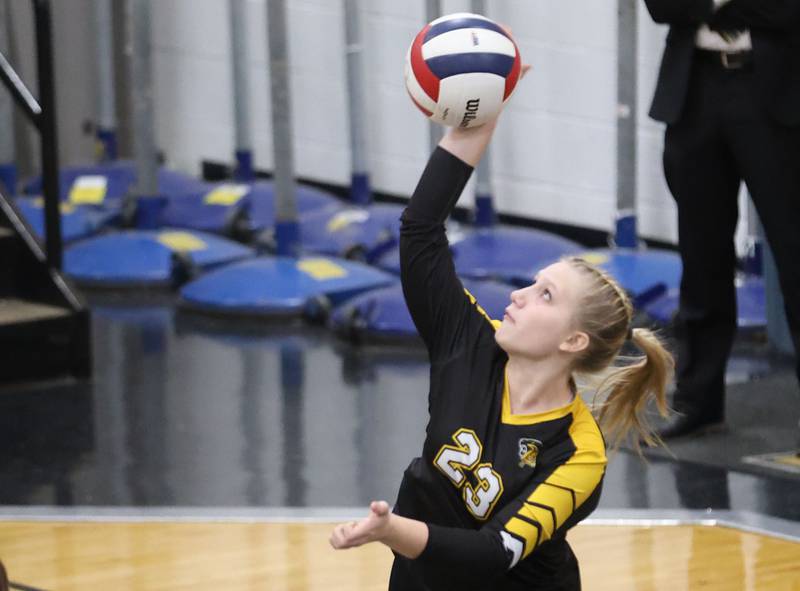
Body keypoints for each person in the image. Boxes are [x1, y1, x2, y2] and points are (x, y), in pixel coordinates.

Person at [329, 89, 675, 588]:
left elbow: (493, 553)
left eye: (545, 295)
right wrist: (478, 117)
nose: (519, 295)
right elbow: (420, 231)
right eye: (532, 284)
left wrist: (391, 530)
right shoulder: (469, 341)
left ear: (574, 341)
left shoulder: (578, 453)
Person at [643, 0, 800, 439]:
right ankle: (699, 401)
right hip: (695, 89)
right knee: (700, 252)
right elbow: (661, 6)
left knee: (794, 252)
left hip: (777, 93)